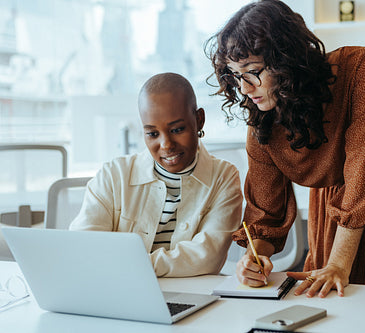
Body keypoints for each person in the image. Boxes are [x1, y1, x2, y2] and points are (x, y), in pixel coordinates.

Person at [206, 0, 365, 297]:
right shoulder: (262, 122)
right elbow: (267, 215)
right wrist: (253, 260)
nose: (243, 88)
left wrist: (338, 264)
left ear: (286, 60)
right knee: (332, 305)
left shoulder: (361, 67)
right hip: (331, 218)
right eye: (235, 75)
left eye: (252, 71)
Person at [70, 73, 243, 277]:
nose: (166, 145)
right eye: (152, 134)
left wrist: (126, 265)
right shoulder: (113, 175)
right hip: (120, 293)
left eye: (177, 129)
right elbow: (83, 247)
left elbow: (207, 258)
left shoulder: (224, 177)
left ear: (199, 120)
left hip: (192, 294)